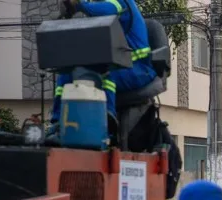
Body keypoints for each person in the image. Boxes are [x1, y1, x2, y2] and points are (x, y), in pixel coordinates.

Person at [49, 0, 158, 134]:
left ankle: (109, 119)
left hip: (140, 68)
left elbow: (106, 9)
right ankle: (57, 123)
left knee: (106, 74)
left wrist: (79, 5)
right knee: (66, 74)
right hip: (119, 67)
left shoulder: (122, 3)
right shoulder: (100, 13)